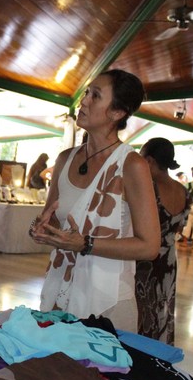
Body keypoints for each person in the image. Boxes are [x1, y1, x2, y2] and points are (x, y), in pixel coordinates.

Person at [31, 69, 160, 332]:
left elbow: (149, 246)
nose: (84, 100)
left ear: (117, 112)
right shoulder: (65, 159)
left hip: (108, 302)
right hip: (61, 291)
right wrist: (42, 228)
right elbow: (52, 218)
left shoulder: (131, 165)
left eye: (96, 96)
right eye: (87, 92)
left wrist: (85, 243)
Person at [135, 138, 188, 345]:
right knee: (164, 308)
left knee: (144, 308)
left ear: (148, 160)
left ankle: (142, 353)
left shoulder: (149, 188)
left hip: (147, 257)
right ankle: (162, 350)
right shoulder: (182, 190)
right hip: (169, 258)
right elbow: (180, 227)